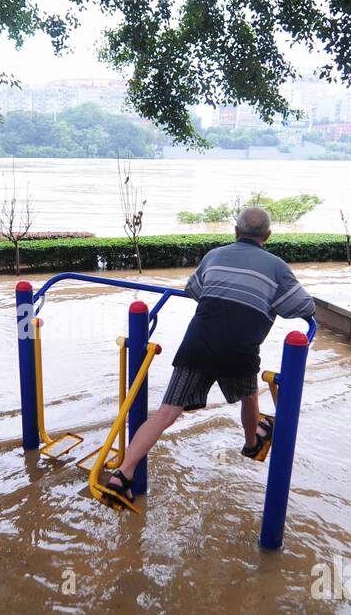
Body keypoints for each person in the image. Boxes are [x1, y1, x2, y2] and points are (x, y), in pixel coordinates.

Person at [103, 205, 315, 506]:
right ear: (268, 235)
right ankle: (252, 443)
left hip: (198, 344)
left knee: (165, 414)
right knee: (250, 396)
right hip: (239, 352)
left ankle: (122, 474)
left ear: (236, 231)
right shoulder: (278, 267)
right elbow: (305, 308)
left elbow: (193, 289)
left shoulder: (214, 255)